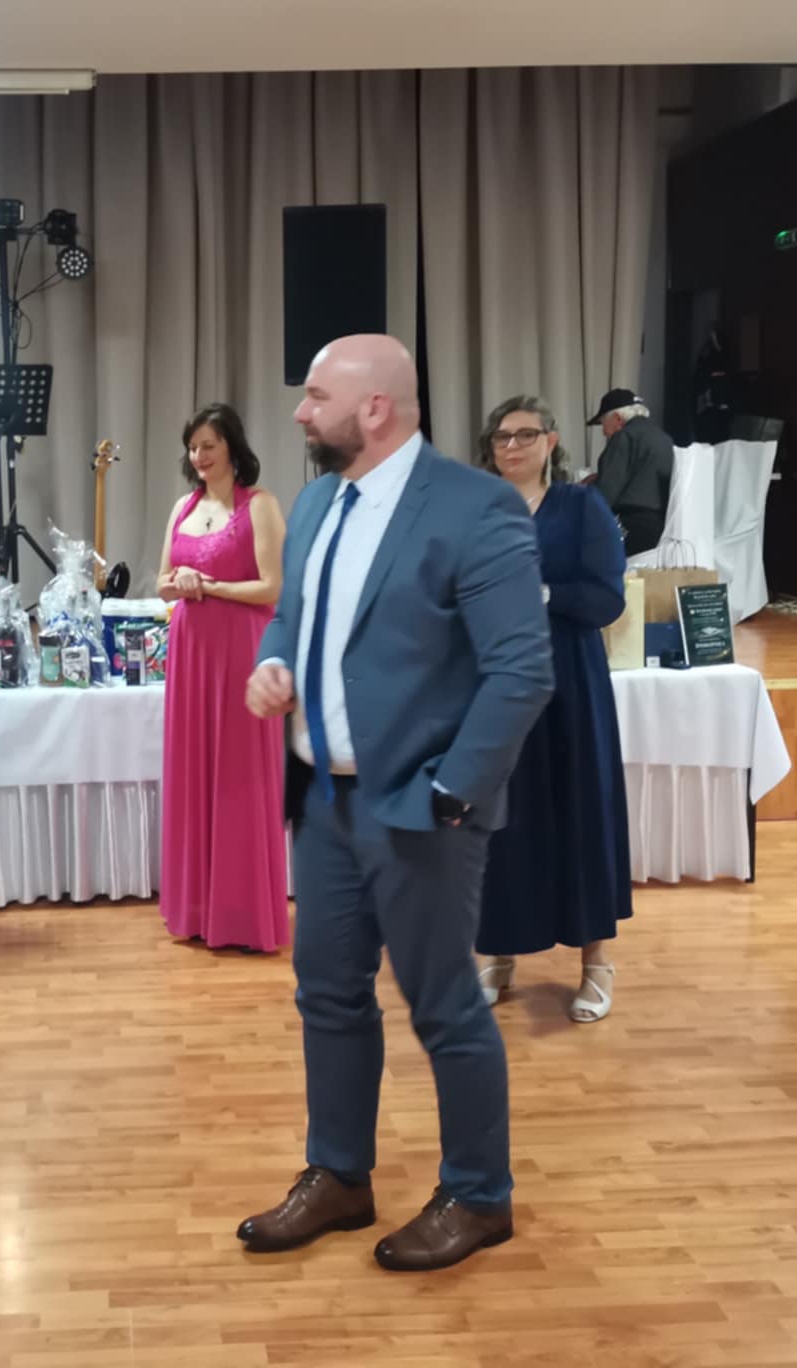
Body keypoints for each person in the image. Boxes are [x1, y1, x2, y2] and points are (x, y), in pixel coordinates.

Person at [239, 335, 553, 1273]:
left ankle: (480, 1195)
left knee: (444, 1003)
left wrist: (453, 791)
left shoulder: (475, 506)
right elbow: (293, 616)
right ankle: (339, 1175)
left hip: (421, 807)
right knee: (328, 995)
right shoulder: (318, 501)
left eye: (316, 396)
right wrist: (274, 662)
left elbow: (521, 670)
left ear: (374, 408)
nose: (301, 412)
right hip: (322, 800)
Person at [473, 396, 632, 1023]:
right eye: (501, 437)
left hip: (569, 682)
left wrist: (539, 593)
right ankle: (498, 954)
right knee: (499, 822)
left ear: (551, 441)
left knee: (578, 813)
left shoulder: (581, 506)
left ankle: (596, 964)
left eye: (525, 435)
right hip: (495, 684)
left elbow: (606, 598)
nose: (512, 446)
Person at [156, 402, 290, 954]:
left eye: (208, 445)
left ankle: (243, 915)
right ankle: (196, 910)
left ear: (232, 446)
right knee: (194, 772)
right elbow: (162, 582)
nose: (199, 456)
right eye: (192, 447)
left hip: (240, 652)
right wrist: (181, 582)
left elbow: (272, 587)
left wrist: (206, 585)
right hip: (191, 653)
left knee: (240, 776)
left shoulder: (260, 505)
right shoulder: (182, 507)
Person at [585, 386, 674, 556]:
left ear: (618, 418)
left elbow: (607, 492)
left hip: (631, 525)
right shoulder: (665, 439)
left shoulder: (624, 436)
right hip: (663, 528)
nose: (604, 432)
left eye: (603, 424)